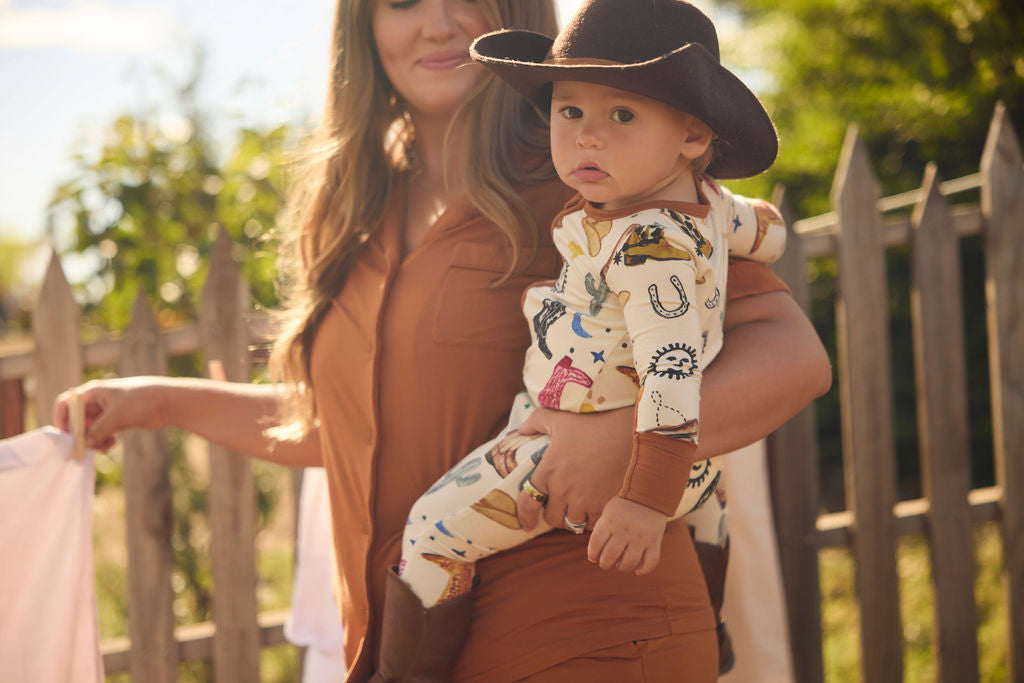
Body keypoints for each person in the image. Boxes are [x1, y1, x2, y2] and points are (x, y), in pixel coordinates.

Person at [53, 0, 831, 680]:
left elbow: (794, 361)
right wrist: (156, 401)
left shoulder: (603, 168)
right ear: (364, 27)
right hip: (426, 643)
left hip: (588, 635)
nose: (439, 20)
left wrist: (622, 446)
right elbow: (358, 433)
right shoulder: (358, 214)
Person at [385, 1, 789, 678]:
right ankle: (715, 627)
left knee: (430, 529)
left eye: (621, 114)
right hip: (689, 472)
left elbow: (671, 368)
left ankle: (406, 674)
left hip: (584, 461)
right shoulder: (708, 204)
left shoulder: (647, 252)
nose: (587, 138)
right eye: (569, 112)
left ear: (692, 134)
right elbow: (766, 230)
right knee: (712, 496)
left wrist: (640, 496)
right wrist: (756, 226)